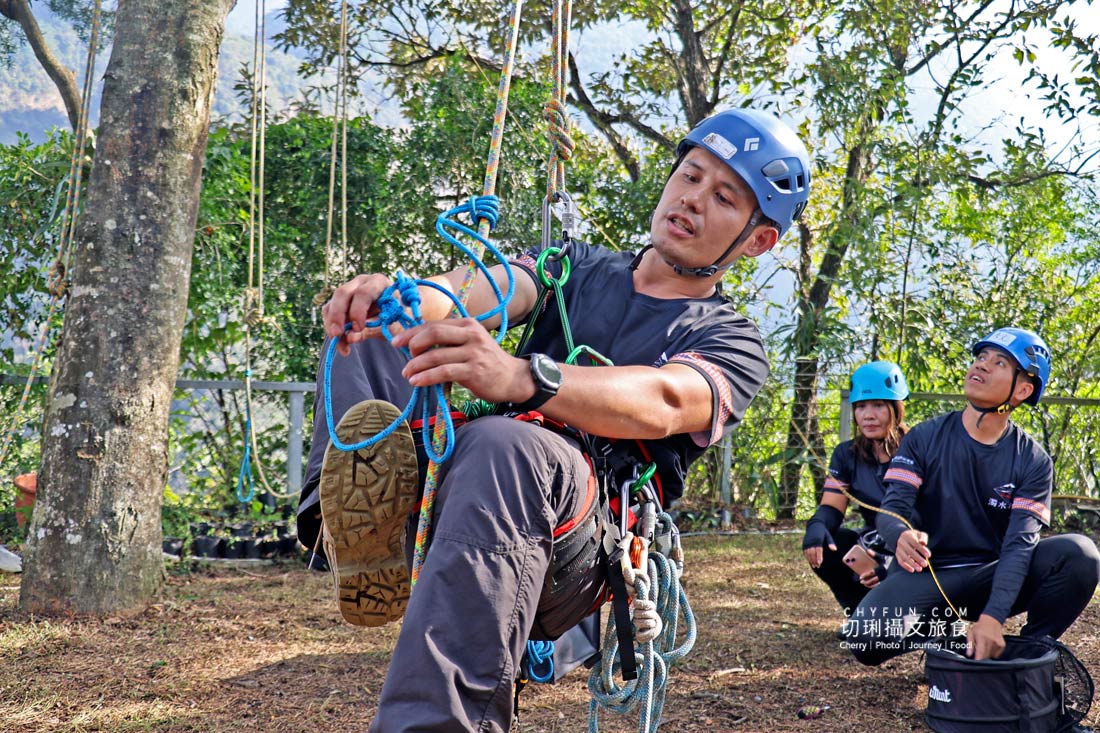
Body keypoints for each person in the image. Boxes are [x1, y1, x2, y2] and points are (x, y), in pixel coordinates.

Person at [295, 108, 811, 732]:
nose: (693, 199)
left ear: (756, 240)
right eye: (691, 176)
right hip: (471, 488)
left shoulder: (731, 339)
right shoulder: (573, 267)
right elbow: (482, 288)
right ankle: (353, 528)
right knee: (379, 326)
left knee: (508, 443)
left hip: (578, 544)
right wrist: (404, 294)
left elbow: (668, 400)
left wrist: (524, 377)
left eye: (723, 197)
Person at [846, 327, 1100, 666]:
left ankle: (1029, 652)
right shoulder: (925, 437)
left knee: (1080, 555)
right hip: (928, 574)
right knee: (866, 637)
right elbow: (893, 508)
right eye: (981, 357)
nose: (981, 365)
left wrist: (994, 616)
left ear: (1023, 389)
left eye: (999, 363)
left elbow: (1020, 544)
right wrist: (899, 534)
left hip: (990, 575)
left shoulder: (1033, 460)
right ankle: (944, 634)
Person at [803, 361, 910, 614]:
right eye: (861, 406)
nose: (868, 415)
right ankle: (858, 610)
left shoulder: (918, 448)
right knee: (832, 542)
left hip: (915, 543)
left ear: (897, 408)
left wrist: (891, 564)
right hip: (872, 541)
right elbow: (831, 506)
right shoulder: (846, 454)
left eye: (878, 405)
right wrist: (817, 526)